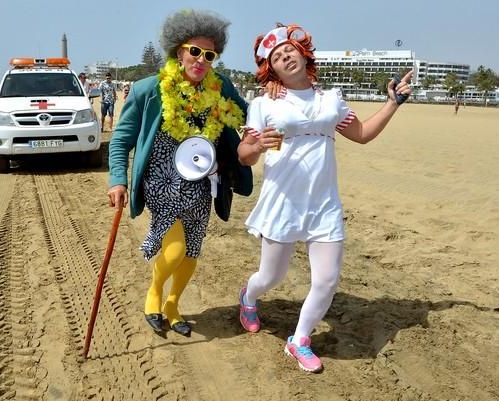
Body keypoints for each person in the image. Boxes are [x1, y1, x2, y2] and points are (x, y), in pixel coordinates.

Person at [236, 23, 412, 373]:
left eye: (289, 50)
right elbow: (244, 154)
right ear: (271, 68)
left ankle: (299, 339)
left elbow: (361, 134)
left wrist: (392, 103)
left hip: (324, 204)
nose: (286, 56)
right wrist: (255, 146)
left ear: (303, 54)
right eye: (277, 56)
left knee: (327, 280)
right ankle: (249, 296)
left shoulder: (331, 100)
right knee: (271, 277)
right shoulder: (264, 103)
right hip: (282, 202)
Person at [108, 9, 252, 337]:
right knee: (172, 251)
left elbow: (249, 115)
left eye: (210, 54)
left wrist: (276, 97)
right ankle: (154, 295)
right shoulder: (148, 89)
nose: (201, 60)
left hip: (203, 183)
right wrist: (118, 179)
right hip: (161, 180)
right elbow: (121, 139)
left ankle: (173, 304)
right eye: (195, 51)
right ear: (179, 50)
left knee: (191, 252)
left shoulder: (221, 87)